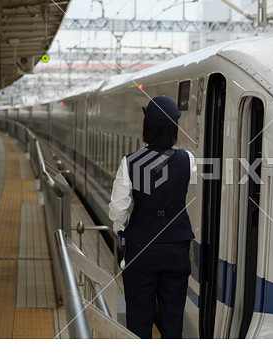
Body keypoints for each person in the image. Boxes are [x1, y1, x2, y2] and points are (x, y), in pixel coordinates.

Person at [108, 95, 196, 339]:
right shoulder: (187, 160)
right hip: (176, 248)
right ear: (174, 128)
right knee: (172, 319)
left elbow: (118, 208)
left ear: (147, 127)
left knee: (138, 320)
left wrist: (123, 229)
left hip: (141, 248)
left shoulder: (131, 162)